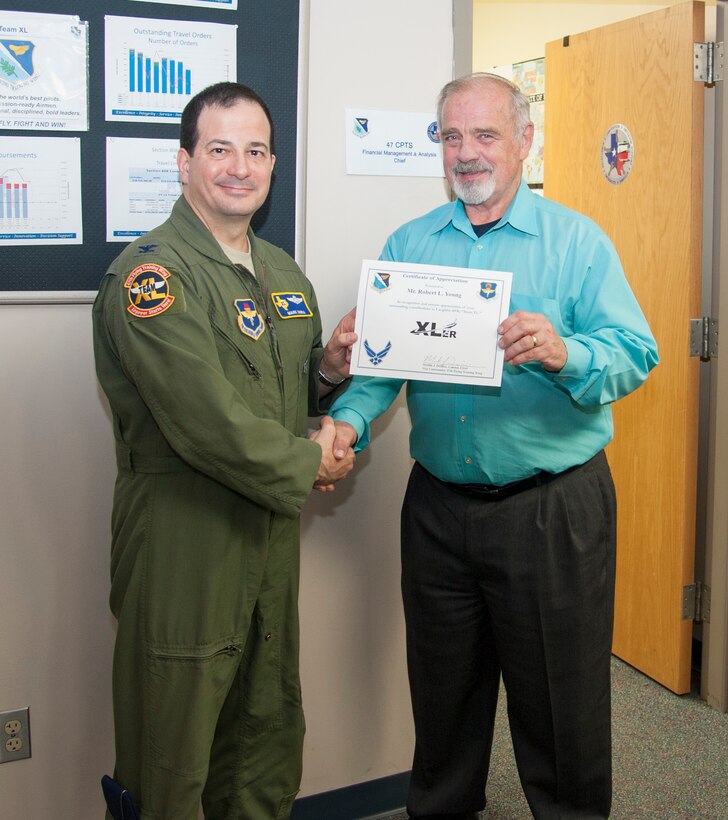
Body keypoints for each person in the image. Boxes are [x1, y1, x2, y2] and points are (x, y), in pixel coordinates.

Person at [327, 72, 659, 819]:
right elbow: (382, 370)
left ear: (523, 142)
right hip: (439, 512)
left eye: (486, 135)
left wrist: (564, 351)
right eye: (452, 136)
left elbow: (637, 353)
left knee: (560, 710)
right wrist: (347, 422)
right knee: (443, 701)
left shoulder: (577, 243)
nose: (467, 153)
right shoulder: (409, 245)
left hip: (550, 512)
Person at [93, 81, 356, 820]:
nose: (240, 166)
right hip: (185, 539)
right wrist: (313, 464)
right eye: (220, 149)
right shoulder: (152, 279)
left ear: (272, 164)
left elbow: (282, 389)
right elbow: (206, 422)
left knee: (263, 735)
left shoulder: (281, 273)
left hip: (268, 539)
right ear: (184, 163)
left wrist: (330, 368)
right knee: (172, 755)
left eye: (256, 150)